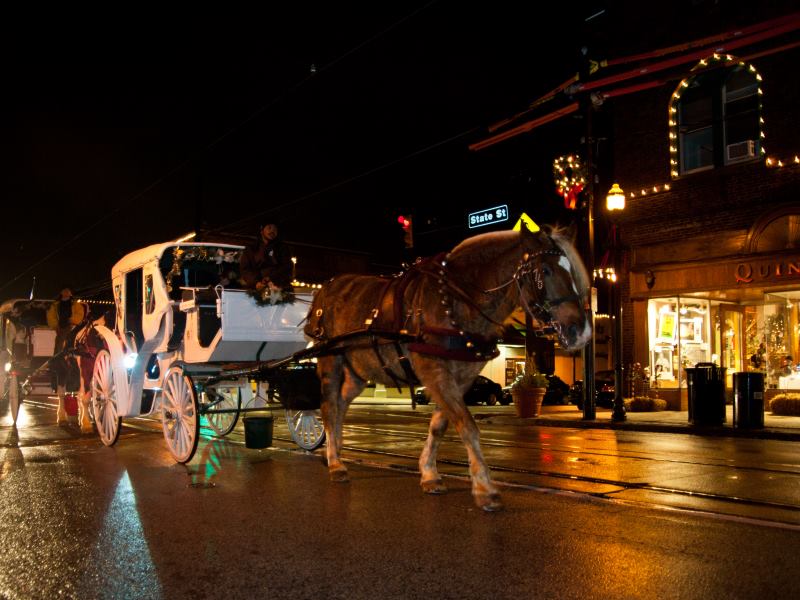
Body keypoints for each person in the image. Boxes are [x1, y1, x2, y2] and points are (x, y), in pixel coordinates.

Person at [46, 288, 86, 424]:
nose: (66, 293)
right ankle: (57, 363)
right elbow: (50, 317)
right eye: (64, 291)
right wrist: (56, 325)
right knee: (59, 348)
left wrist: (72, 320)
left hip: (72, 327)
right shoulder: (55, 305)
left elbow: (80, 315)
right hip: (61, 329)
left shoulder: (76, 304)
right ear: (61, 293)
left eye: (68, 291)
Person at [239, 222, 294, 292]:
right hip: (256, 290)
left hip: (280, 289)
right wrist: (255, 283)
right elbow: (245, 269)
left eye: (275, 229)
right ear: (262, 231)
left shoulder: (283, 249)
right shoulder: (251, 249)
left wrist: (271, 278)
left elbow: (287, 268)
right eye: (269, 228)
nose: (272, 231)